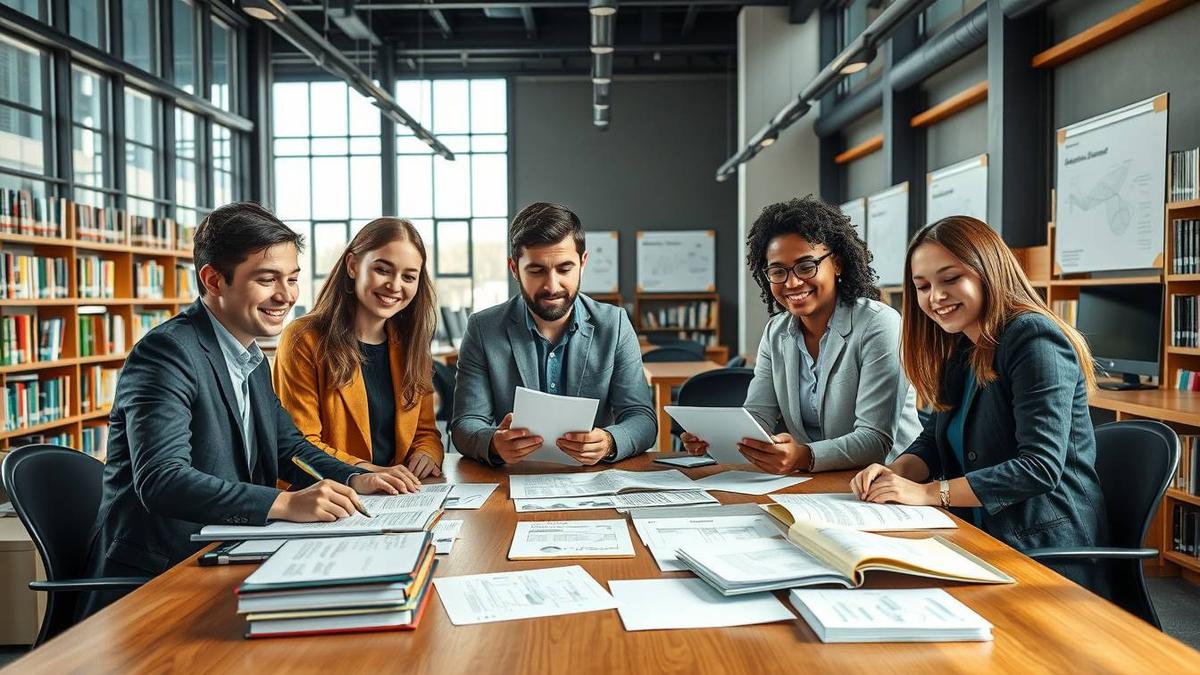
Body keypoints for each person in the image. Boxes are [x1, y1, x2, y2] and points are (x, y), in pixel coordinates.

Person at [81, 203, 413, 616]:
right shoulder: (167, 353)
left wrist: (356, 477)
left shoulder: (249, 356)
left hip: (226, 557)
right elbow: (163, 480)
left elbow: (287, 447)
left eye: (291, 279)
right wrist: (286, 504)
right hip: (158, 580)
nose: (287, 295)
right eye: (267, 279)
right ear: (214, 279)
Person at [850, 215, 1109, 590]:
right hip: (977, 533)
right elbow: (934, 440)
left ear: (988, 270)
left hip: (1042, 547)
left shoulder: (1034, 338)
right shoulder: (962, 347)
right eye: (922, 286)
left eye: (951, 279)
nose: (935, 297)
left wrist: (927, 493)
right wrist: (896, 474)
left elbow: (1039, 466)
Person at [682, 196, 920, 473]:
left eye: (806, 266)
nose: (792, 282)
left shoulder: (879, 324)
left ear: (838, 264)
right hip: (816, 483)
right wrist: (716, 437)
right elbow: (758, 416)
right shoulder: (776, 332)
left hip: (889, 482)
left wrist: (804, 456)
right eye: (778, 271)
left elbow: (876, 440)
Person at [451, 202, 657, 466]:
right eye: (536, 270)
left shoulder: (614, 324)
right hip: (514, 480)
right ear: (514, 269)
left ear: (583, 263)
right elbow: (464, 425)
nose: (552, 285)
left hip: (593, 480)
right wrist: (493, 442)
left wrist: (608, 442)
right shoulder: (483, 328)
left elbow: (642, 418)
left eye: (564, 269)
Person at [274, 218, 443, 480]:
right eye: (383, 270)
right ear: (353, 266)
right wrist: (369, 473)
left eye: (409, 276)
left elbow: (425, 432)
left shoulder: (410, 343)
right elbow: (300, 444)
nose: (395, 285)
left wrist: (426, 453)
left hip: (395, 497)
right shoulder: (303, 339)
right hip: (324, 496)